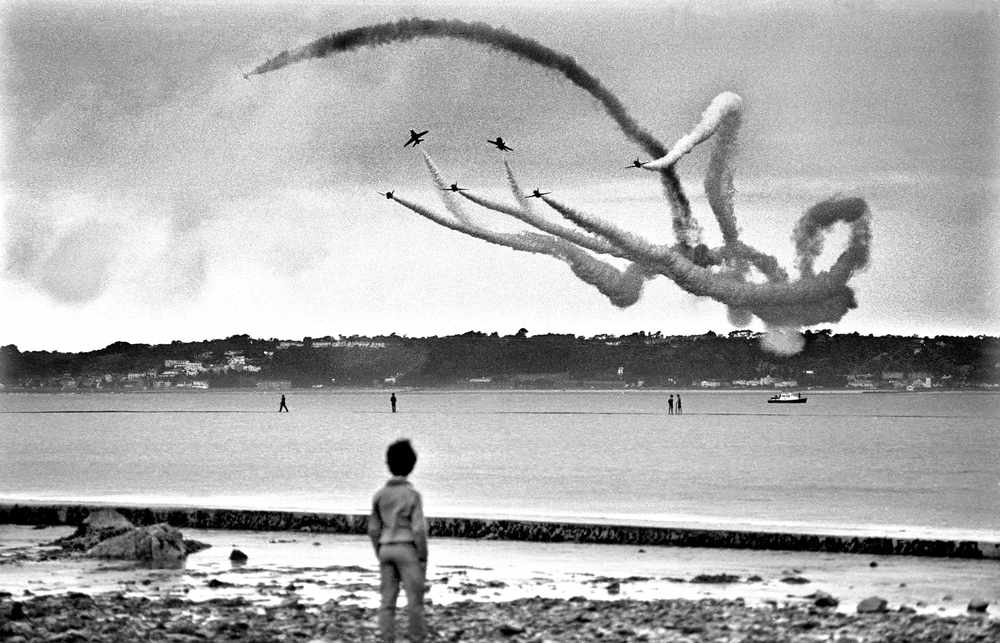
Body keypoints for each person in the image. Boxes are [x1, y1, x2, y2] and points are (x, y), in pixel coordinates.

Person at [368, 439, 428, 642]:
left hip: (385, 547)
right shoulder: (412, 496)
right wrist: (422, 556)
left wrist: (379, 550)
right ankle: (417, 637)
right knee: (414, 600)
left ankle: (387, 638)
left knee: (387, 599)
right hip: (406, 547)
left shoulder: (379, 495)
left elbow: (373, 529)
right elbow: (418, 529)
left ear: (388, 464)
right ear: (412, 465)